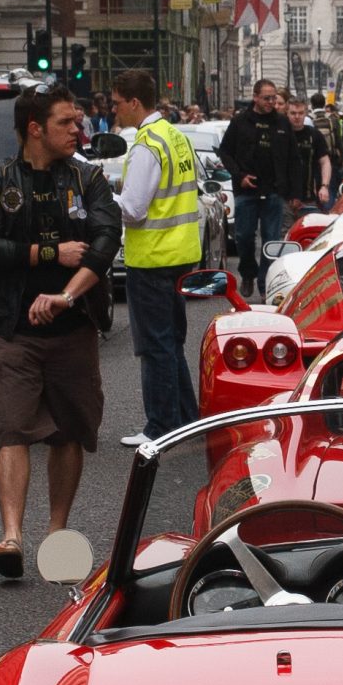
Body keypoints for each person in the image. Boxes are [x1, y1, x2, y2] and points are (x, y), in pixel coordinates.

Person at [0, 86, 122, 580]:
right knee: (11, 427)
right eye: (66, 122)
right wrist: (49, 254)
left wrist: (65, 296)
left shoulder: (87, 177)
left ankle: (57, 534)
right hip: (13, 328)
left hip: (73, 327)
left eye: (77, 121)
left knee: (67, 431)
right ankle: (11, 536)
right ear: (35, 128)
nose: (78, 129)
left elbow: (106, 240)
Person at [110, 67, 202, 446]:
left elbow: (133, 209)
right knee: (171, 344)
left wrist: (102, 196)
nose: (114, 110)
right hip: (180, 254)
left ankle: (160, 427)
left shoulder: (147, 145)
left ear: (134, 103)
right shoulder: (175, 136)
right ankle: (186, 420)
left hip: (152, 258)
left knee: (155, 347)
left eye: (117, 103)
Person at [219, 77, 291, 297]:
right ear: (256, 97)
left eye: (273, 98)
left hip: (273, 190)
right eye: (267, 98)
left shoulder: (281, 122)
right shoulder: (240, 121)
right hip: (246, 189)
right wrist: (239, 176)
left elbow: (293, 158)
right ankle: (248, 272)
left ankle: (265, 281)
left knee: (271, 239)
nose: (271, 102)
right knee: (244, 236)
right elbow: (225, 152)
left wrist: (292, 191)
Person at [282, 95, 334, 219]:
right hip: (283, 198)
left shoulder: (314, 135)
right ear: (287, 113)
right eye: (293, 113)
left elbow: (325, 162)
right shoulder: (280, 134)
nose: (297, 117)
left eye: (300, 113)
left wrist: (324, 186)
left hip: (308, 197)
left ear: (306, 113)